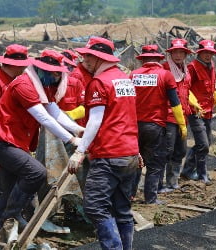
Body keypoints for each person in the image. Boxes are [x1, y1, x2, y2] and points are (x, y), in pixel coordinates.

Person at [0, 50, 84, 238]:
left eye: (58, 73)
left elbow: (54, 111)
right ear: (41, 69)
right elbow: (43, 118)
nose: (56, 77)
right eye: (54, 73)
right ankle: (12, 214)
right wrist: (70, 139)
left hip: (15, 143)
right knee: (36, 172)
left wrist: (78, 130)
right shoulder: (24, 85)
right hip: (2, 141)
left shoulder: (42, 86)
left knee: (8, 192)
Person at [68, 36, 140, 250]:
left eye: (89, 56)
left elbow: (96, 119)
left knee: (95, 207)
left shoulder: (99, 82)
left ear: (99, 58)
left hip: (110, 154)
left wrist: (80, 151)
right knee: (122, 210)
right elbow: (126, 116)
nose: (85, 60)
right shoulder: (124, 79)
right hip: (129, 154)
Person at [130, 44, 187, 204]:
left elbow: (126, 101)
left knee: (136, 162)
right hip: (155, 126)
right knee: (155, 163)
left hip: (134, 126)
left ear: (143, 60)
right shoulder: (165, 75)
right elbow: (175, 103)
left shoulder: (133, 75)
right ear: (158, 59)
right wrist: (182, 125)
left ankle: (129, 196)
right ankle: (151, 198)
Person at [181, 40, 216, 184]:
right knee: (203, 145)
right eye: (205, 53)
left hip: (207, 111)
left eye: (210, 53)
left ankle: (187, 170)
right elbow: (185, 89)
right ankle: (202, 174)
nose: (208, 56)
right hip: (196, 112)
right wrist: (193, 103)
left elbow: (212, 88)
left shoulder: (211, 66)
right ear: (199, 53)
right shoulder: (192, 67)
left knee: (205, 143)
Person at [158, 39, 194, 192]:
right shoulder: (164, 70)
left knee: (180, 150)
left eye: (181, 52)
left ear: (185, 54)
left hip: (183, 116)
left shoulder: (186, 71)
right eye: (175, 52)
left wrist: (193, 103)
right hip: (169, 117)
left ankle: (173, 181)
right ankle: (159, 184)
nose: (178, 55)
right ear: (170, 53)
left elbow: (186, 91)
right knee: (166, 150)